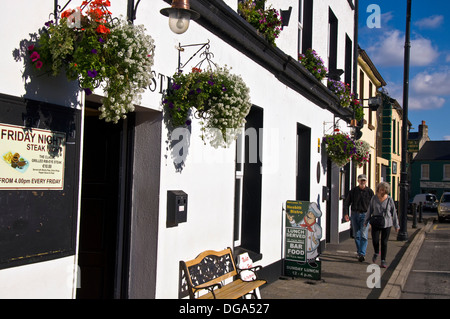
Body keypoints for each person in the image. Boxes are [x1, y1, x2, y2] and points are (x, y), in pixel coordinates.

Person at [364, 182, 400, 268]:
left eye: (383, 190)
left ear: (386, 190)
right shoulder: (374, 198)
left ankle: (383, 260)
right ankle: (376, 252)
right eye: (380, 190)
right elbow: (370, 210)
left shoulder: (389, 199)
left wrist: (396, 225)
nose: (382, 191)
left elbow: (394, 213)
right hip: (376, 222)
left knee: (384, 242)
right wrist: (366, 221)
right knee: (375, 240)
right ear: (378, 190)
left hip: (387, 223)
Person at [343, 174, 374, 262]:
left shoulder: (370, 192)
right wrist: (345, 214)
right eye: (361, 180)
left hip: (365, 215)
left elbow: (373, 205)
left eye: (364, 180)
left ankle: (362, 253)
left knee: (364, 235)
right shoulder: (353, 191)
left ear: (366, 181)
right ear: (358, 181)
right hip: (354, 214)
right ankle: (359, 251)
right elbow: (347, 203)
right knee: (356, 235)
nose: (362, 182)